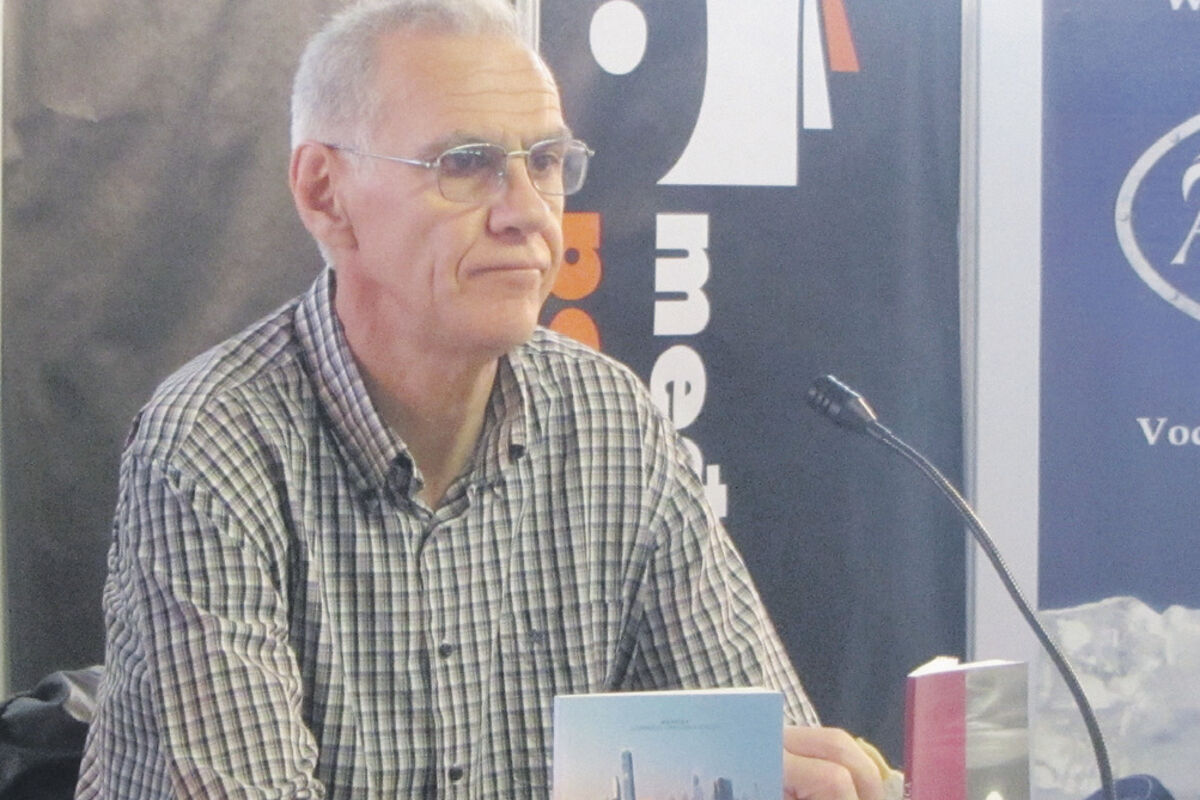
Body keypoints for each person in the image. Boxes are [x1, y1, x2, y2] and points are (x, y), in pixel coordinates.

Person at [75, 1, 898, 798]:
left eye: (546, 162)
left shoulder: (609, 420)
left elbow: (747, 754)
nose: (528, 213)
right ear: (326, 193)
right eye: (466, 164)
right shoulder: (211, 445)